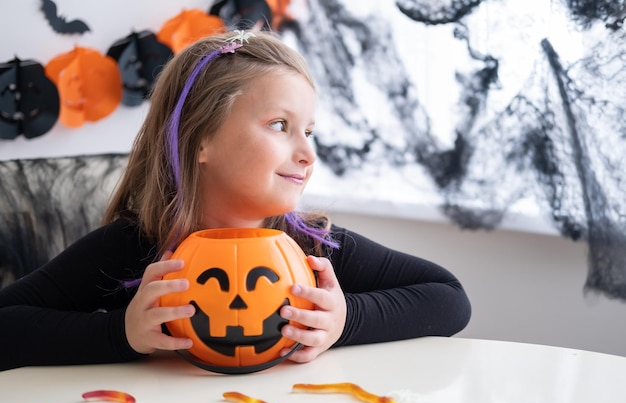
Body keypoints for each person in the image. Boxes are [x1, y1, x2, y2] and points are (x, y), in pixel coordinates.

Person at [0, 31, 471, 371]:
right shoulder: (134, 246)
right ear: (201, 140)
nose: (307, 153)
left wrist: (345, 320)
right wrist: (120, 333)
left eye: (309, 131)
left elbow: (450, 298)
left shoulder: (313, 250)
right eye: (280, 125)